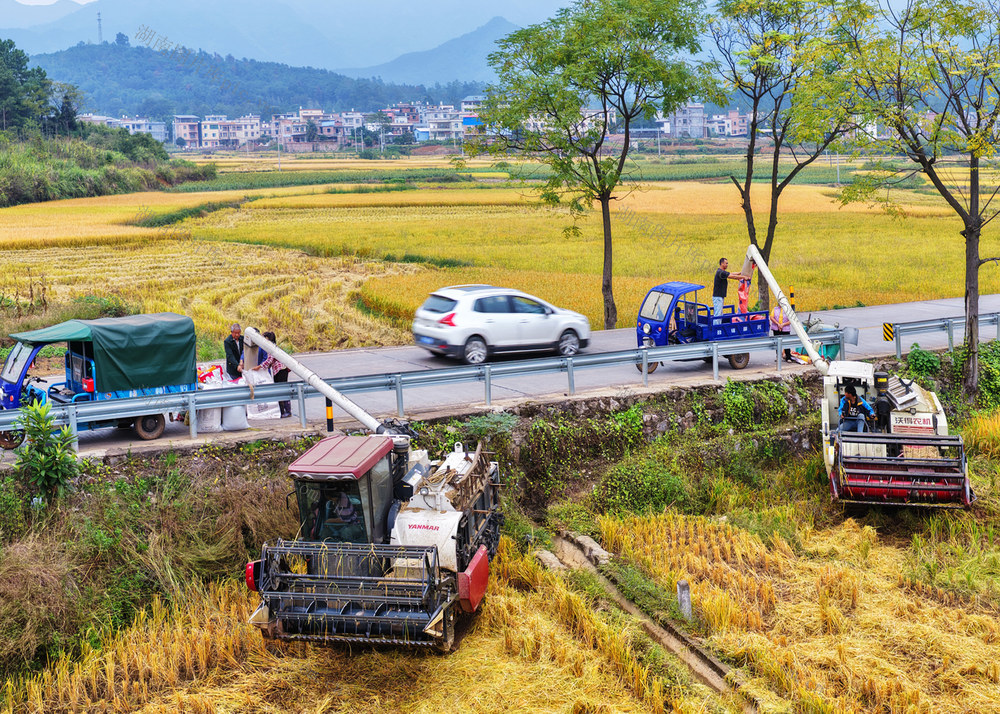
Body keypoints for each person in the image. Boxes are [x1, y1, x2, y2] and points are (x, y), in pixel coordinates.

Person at [256, 331, 292, 418]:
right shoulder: (274, 347)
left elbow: (269, 361)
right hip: (282, 370)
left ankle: (285, 411)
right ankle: (285, 410)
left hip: (280, 371)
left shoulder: (271, 348)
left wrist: (259, 367)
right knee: (283, 390)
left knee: (281, 391)